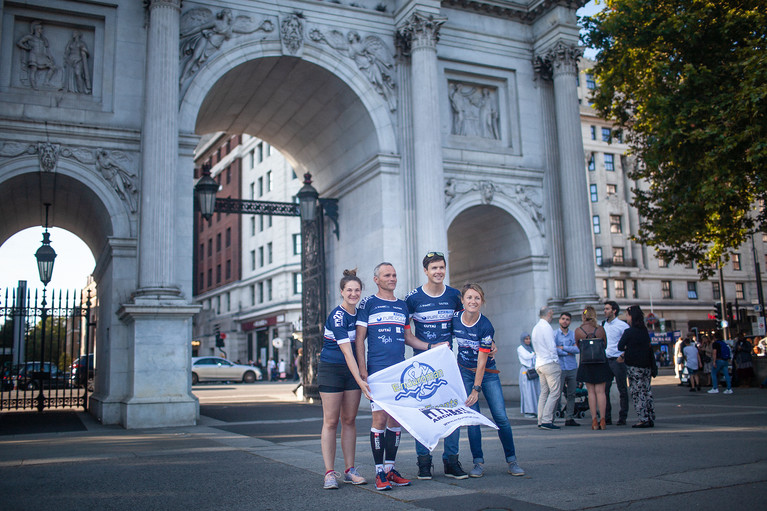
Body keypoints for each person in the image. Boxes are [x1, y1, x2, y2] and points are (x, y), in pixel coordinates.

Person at [356, 262, 431, 491]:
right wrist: (362, 369)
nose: (392, 278)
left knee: (395, 420)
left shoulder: (402, 306)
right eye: (387, 275)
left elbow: (409, 338)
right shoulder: (368, 303)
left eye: (395, 275)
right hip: (377, 371)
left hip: (399, 371)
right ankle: (379, 472)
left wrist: (432, 346)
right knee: (379, 420)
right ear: (376, 279)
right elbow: (360, 339)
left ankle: (390, 469)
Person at [404, 251, 465, 480]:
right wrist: (431, 347)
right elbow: (406, 335)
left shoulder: (454, 296)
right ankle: (423, 462)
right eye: (434, 268)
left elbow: (464, 326)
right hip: (422, 365)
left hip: (449, 364)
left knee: (453, 410)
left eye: (441, 267)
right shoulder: (413, 298)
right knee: (424, 414)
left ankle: (451, 461)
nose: (438, 272)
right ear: (426, 271)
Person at [455, 283, 525, 477]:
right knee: (473, 419)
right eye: (469, 297)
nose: (473, 301)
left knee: (500, 416)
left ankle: (512, 461)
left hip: (486, 373)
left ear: (482, 301)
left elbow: (482, 361)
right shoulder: (455, 319)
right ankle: (478, 463)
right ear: (462, 301)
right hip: (465, 373)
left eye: (477, 298)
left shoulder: (485, 326)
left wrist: (476, 389)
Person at [318, 269, 370, 489]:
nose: (353, 293)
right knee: (331, 421)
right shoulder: (337, 315)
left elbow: (361, 346)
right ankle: (330, 473)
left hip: (352, 372)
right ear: (342, 292)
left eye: (357, 290)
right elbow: (347, 352)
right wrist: (361, 380)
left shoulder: (360, 313)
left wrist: (361, 373)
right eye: (349, 290)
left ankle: (350, 469)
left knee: (349, 420)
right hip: (331, 369)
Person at [617, 306, 657, 428]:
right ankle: (650, 416)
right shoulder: (644, 331)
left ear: (631, 317)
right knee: (647, 391)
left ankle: (643, 418)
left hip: (634, 366)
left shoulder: (629, 332)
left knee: (637, 392)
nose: (626, 318)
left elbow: (620, 346)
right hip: (646, 365)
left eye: (627, 315)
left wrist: (627, 349)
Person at [575, 306, 612, 430]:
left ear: (583, 316)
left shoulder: (579, 330)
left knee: (591, 392)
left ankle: (594, 420)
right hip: (600, 362)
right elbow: (605, 345)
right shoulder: (600, 329)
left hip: (586, 363)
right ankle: (603, 420)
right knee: (601, 392)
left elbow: (578, 346)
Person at [531, 306, 562, 430]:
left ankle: (540, 419)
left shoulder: (536, 327)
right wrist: (556, 360)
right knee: (554, 392)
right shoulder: (546, 327)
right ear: (549, 313)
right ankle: (547, 420)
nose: (552, 316)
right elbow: (551, 346)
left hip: (540, 362)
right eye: (552, 313)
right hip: (549, 362)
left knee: (544, 392)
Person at [603, 301, 630, 426]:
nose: (605, 311)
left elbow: (629, 343)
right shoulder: (603, 325)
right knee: (604, 390)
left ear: (614, 311)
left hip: (618, 360)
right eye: (605, 309)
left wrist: (622, 355)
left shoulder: (622, 325)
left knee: (622, 389)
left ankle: (622, 416)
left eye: (607, 309)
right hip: (606, 360)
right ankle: (607, 417)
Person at [555, 312, 580, 426]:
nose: (565, 321)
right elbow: (555, 350)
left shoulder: (573, 334)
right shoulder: (555, 334)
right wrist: (568, 351)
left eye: (567, 319)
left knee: (572, 393)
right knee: (557, 393)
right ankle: (553, 415)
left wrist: (563, 348)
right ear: (560, 320)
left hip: (572, 367)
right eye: (563, 319)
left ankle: (569, 417)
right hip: (560, 367)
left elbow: (577, 349)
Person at [517, 332, 539, 418]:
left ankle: (535, 410)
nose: (528, 341)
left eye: (529, 339)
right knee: (527, 391)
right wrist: (534, 353)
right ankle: (528, 411)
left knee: (535, 391)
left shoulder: (531, 348)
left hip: (533, 370)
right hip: (525, 371)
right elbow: (526, 357)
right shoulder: (520, 348)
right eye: (526, 339)